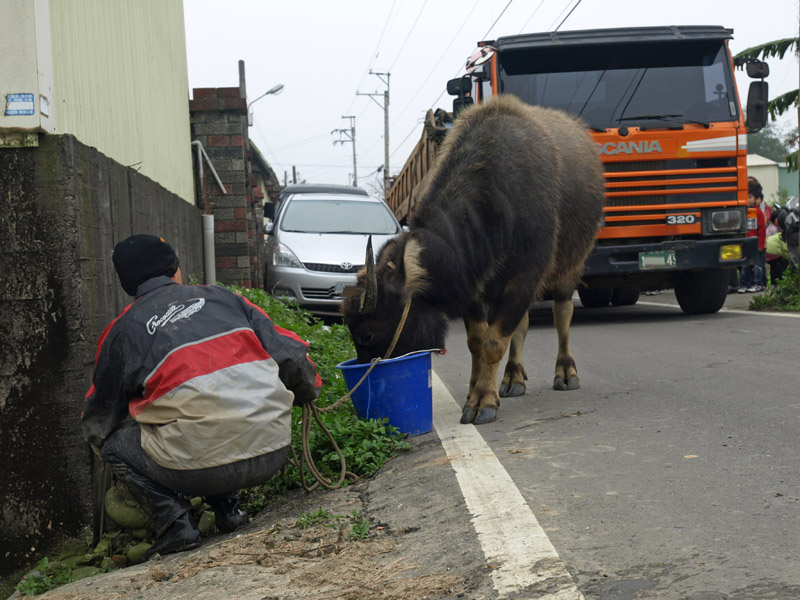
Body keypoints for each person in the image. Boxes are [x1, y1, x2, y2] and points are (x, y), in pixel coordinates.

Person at [82, 234, 320, 557]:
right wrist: (308, 391)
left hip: (198, 469)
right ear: (175, 268)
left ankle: (175, 523)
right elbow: (293, 357)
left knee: (115, 444)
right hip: (272, 451)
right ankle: (229, 510)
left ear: (127, 285)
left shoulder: (121, 330)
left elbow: (99, 416)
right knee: (218, 405)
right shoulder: (226, 298)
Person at [739, 181, 766, 293]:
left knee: (757, 266)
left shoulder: (758, 212)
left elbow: (762, 231)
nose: (747, 199)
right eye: (746, 197)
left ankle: (758, 284)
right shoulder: (742, 212)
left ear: (755, 199)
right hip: (745, 243)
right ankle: (744, 285)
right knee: (744, 265)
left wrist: (760, 245)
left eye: (750, 197)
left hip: (755, 244)